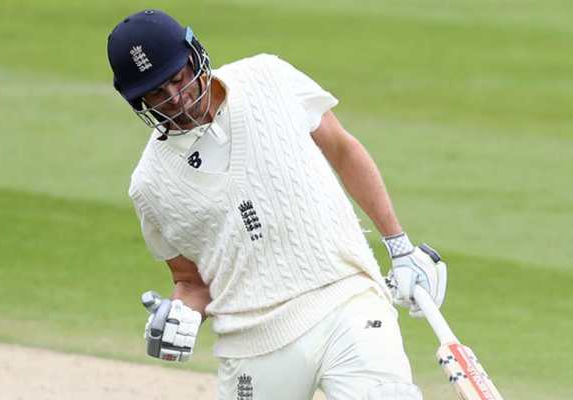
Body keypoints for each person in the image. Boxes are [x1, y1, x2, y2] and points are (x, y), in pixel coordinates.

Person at [106, 9, 447, 400]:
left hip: (345, 298)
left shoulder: (268, 76)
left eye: (177, 79)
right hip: (253, 341)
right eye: (156, 94)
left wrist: (399, 246)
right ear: (138, 102)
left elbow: (342, 150)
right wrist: (181, 315)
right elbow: (191, 282)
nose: (176, 100)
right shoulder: (150, 185)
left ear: (194, 54)